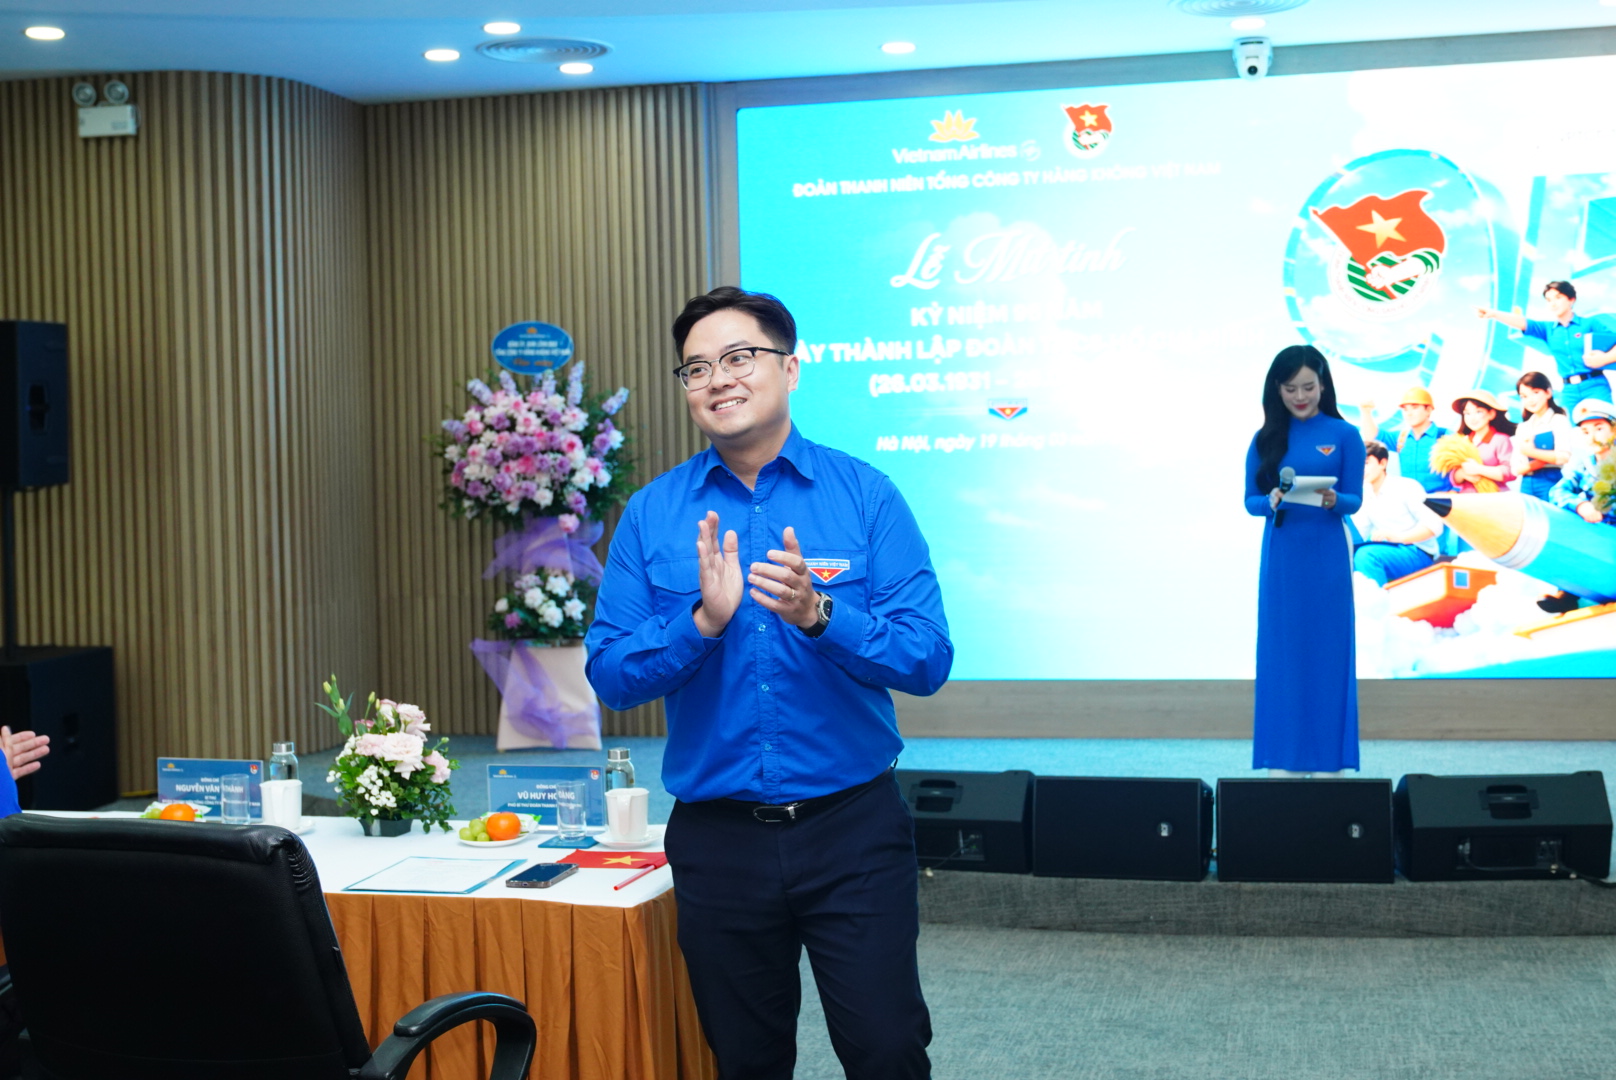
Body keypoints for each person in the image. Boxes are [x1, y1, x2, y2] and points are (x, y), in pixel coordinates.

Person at [585, 286, 951, 1080]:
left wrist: (822, 615)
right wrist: (700, 624)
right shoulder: (652, 514)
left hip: (851, 829)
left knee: (888, 1049)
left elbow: (927, 658)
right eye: (696, 368)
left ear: (790, 368)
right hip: (718, 840)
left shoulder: (866, 496)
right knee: (745, 1060)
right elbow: (610, 674)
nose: (717, 379)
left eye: (739, 357)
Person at [1244, 344, 1364, 777]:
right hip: (1283, 559)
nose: (1300, 396)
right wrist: (1271, 500)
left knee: (1329, 655)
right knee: (1284, 655)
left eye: (1308, 387)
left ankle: (1330, 761)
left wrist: (1335, 500)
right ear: (1277, 389)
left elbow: (1354, 499)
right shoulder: (1265, 439)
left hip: (1327, 556)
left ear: (1323, 385)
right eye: (1291, 388)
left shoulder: (1345, 435)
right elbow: (1250, 501)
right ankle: (1283, 759)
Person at [1478, 280, 1615, 413]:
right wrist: (1494, 314)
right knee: (1570, 427)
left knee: (1603, 423)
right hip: (1569, 391)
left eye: (1558, 297)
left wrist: (1605, 358)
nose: (1553, 303)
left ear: (1571, 299)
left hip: (1595, 385)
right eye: (1549, 300)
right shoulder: (1548, 329)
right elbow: (1523, 322)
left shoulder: (1590, 324)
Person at [1352, 441, 1443, 586]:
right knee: (1345, 558)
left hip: (1419, 551)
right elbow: (1360, 533)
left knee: (1366, 556)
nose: (1361, 469)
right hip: (1390, 550)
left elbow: (1434, 525)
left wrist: (1399, 537)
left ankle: (1378, 599)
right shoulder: (1365, 494)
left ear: (1383, 463)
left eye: (1366, 463)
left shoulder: (1406, 486)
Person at [1356, 386, 1451, 494]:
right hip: (1411, 499)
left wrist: (1454, 491)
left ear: (1428, 410)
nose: (1409, 413)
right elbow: (1373, 437)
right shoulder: (1401, 437)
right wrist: (1366, 412)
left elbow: (1461, 467)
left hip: (1441, 500)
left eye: (1414, 408)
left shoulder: (1445, 435)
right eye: (1405, 410)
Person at [1511, 371, 1576, 501]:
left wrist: (1531, 452)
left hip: (1550, 480)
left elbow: (1563, 457)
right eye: (1524, 396)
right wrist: (1541, 461)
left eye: (1535, 392)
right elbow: (1515, 468)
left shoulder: (1558, 420)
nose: (1530, 400)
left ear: (1548, 392)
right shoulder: (1523, 427)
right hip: (1526, 483)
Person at [1550, 399, 1616, 526]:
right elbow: (1556, 491)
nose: (1592, 438)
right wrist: (1580, 505)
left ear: (1614, 430)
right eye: (1586, 432)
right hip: (1600, 532)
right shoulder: (1585, 467)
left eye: (1599, 429)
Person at [1446, 390, 1516, 494]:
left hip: (1494, 498)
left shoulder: (1501, 440)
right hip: (1466, 498)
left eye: (1478, 412)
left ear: (1491, 414)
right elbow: (1453, 477)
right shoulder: (1462, 442)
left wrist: (1478, 469)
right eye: (1467, 413)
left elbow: (1510, 472)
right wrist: (1462, 474)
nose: (1472, 418)